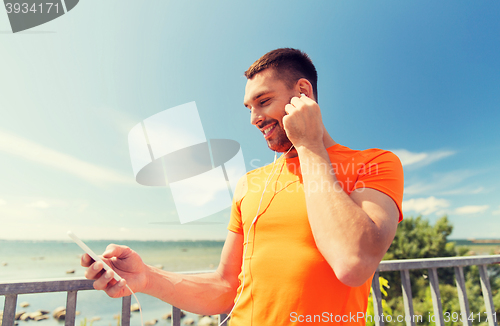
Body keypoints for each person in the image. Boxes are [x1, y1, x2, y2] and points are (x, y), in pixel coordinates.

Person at [81, 48, 404, 325]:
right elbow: (225, 287)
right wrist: (147, 278)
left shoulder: (375, 163)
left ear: (303, 94)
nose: (254, 119)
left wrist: (309, 146)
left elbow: (353, 263)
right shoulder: (251, 184)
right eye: (249, 108)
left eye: (263, 101)